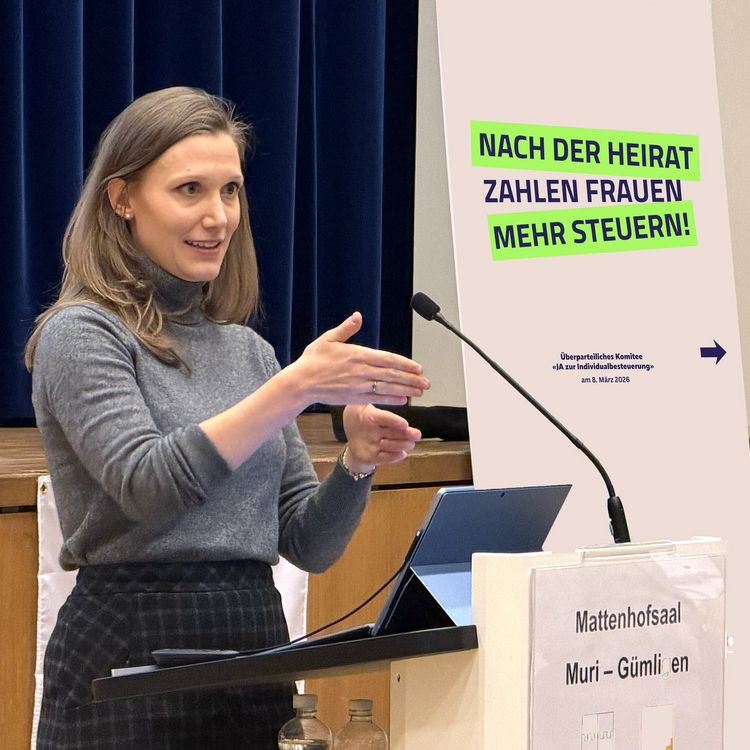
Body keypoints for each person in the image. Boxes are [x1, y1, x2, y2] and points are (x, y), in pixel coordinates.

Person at [25, 86, 430, 749]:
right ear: (121, 198)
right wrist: (293, 388)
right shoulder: (81, 334)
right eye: (190, 190)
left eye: (231, 191)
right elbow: (147, 484)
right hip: (129, 647)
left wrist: (356, 463)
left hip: (254, 647)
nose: (218, 216)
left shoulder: (248, 352)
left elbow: (308, 543)